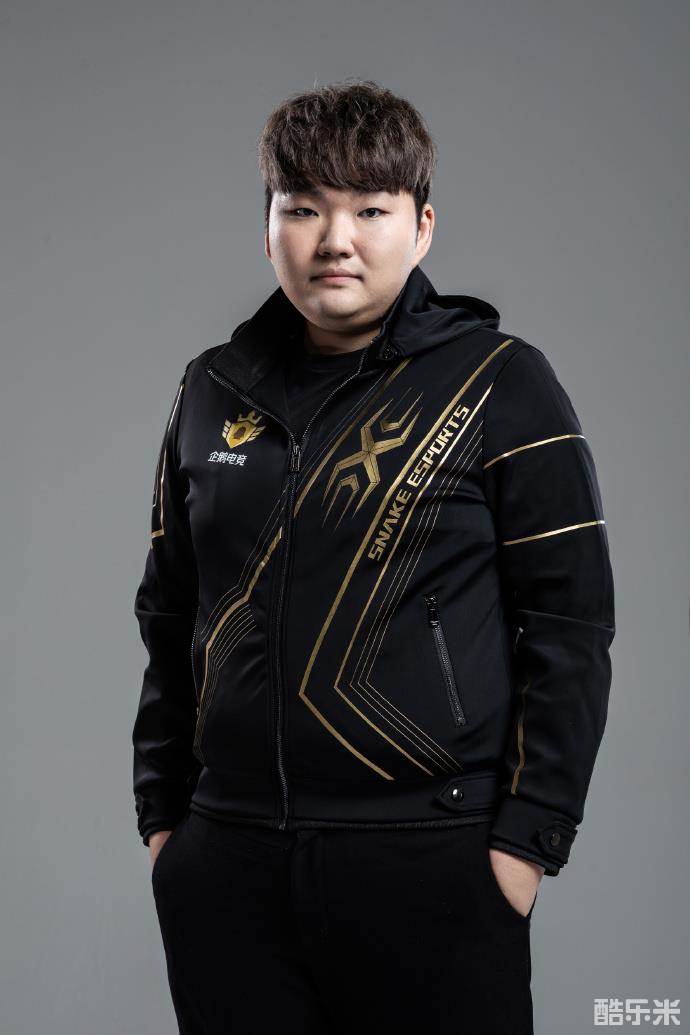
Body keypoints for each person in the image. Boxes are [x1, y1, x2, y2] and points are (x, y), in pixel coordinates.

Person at [131, 78, 615, 1035]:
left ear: (422, 227)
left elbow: (571, 624)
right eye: (303, 208)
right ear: (268, 227)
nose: (334, 239)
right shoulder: (211, 388)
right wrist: (165, 822)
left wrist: (527, 841)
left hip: (432, 858)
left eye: (370, 210)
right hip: (228, 864)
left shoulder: (501, 383)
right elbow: (169, 610)